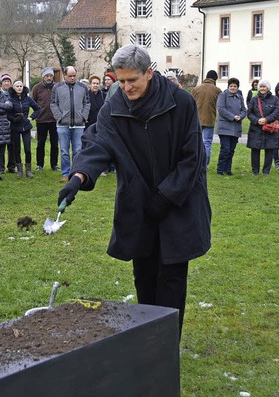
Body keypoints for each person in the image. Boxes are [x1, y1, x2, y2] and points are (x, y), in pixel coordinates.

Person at [57, 44, 211, 335]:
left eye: (132, 80)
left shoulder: (181, 103)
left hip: (177, 207)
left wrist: (166, 196)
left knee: (171, 280)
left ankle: (166, 346)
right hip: (140, 207)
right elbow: (97, 144)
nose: (126, 87)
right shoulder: (114, 108)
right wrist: (79, 176)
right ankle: (147, 343)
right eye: (121, 80)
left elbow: (192, 159)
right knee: (144, 276)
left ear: (149, 73)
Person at [51, 65, 90, 182]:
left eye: (74, 76)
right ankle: (65, 173)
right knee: (64, 151)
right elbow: (53, 104)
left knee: (77, 151)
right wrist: (60, 117)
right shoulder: (57, 87)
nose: (72, 78)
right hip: (63, 124)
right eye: (70, 76)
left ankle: (75, 173)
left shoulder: (83, 87)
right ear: (65, 75)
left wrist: (83, 116)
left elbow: (87, 103)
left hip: (79, 124)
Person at [246, 79, 279, 176]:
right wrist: (257, 120)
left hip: (270, 129)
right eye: (261, 86)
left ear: (268, 88)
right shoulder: (254, 99)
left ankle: (266, 171)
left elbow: (277, 112)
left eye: (264, 86)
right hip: (256, 129)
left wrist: (267, 119)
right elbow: (249, 113)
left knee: (269, 150)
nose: (262, 88)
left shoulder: (275, 99)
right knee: (255, 150)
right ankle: (255, 171)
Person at [7, 80, 40, 178]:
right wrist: (13, 119)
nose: (19, 88)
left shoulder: (28, 99)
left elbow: (38, 109)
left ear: (23, 87)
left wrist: (31, 117)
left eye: (21, 86)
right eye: (17, 86)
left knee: (27, 149)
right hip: (15, 127)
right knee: (17, 149)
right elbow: (7, 114)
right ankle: (19, 170)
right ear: (13, 88)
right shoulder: (10, 99)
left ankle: (28, 170)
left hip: (26, 126)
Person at [215, 77, 246, 176]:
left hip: (235, 128)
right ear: (228, 86)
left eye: (235, 86)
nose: (233, 88)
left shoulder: (239, 97)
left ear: (237, 87)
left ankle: (228, 169)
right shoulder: (222, 95)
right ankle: (220, 169)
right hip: (224, 127)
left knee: (231, 150)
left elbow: (244, 110)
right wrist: (233, 117)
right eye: (231, 86)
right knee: (225, 149)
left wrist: (240, 116)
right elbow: (221, 109)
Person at [31, 67, 59, 171]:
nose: (49, 78)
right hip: (41, 120)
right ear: (43, 77)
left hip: (55, 120)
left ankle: (54, 165)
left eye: (51, 76)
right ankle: (40, 165)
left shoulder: (57, 87)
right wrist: (37, 114)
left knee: (55, 144)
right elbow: (32, 102)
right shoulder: (36, 88)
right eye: (47, 76)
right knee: (40, 143)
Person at [191, 70, 222, 166]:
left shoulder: (196, 89)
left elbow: (191, 104)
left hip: (196, 119)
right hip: (210, 119)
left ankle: (196, 163)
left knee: (197, 142)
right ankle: (205, 164)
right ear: (215, 79)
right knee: (207, 143)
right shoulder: (217, 90)